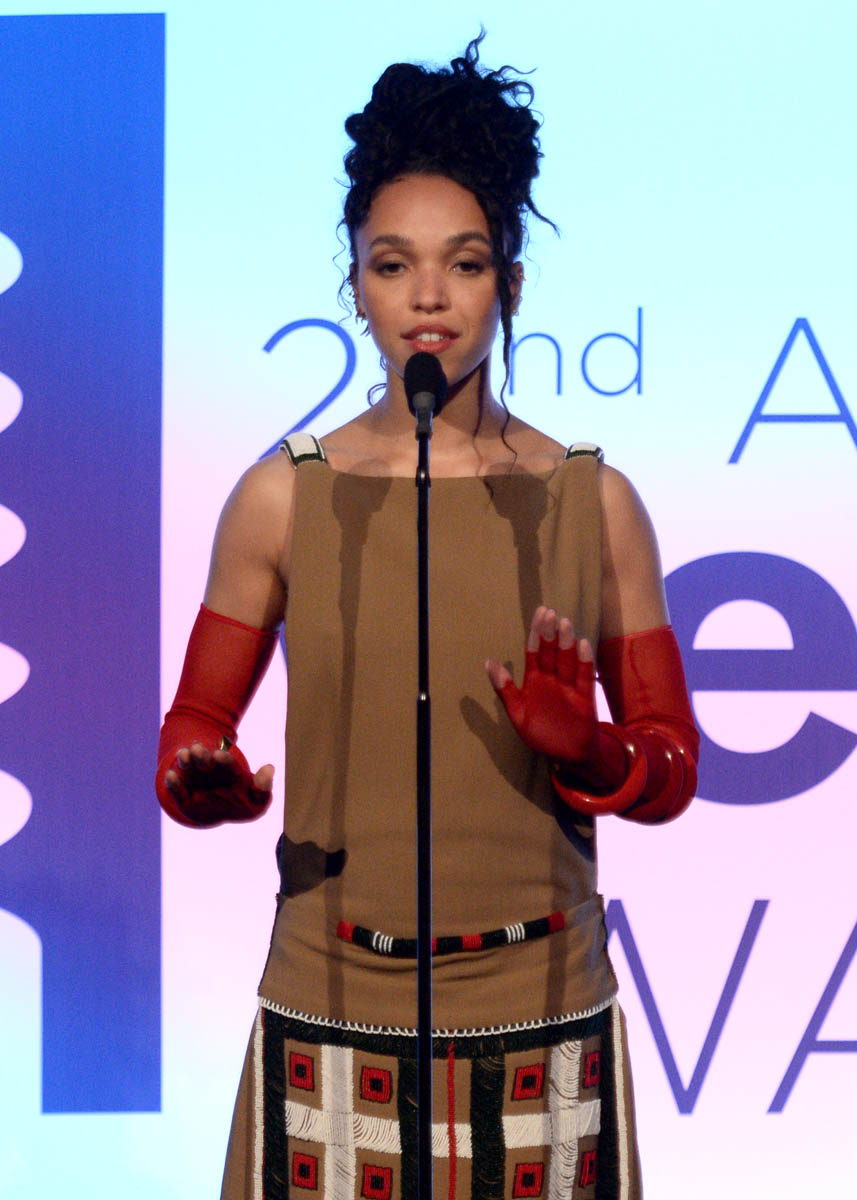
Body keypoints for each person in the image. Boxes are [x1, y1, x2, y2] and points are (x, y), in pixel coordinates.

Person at [156, 35, 698, 1200]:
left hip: (540, 1019)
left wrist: (592, 751)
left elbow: (670, 765)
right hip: (329, 1006)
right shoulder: (279, 498)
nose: (428, 297)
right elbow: (193, 721)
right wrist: (202, 779)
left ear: (510, 282)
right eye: (392, 264)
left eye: (464, 263)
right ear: (354, 283)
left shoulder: (592, 502)